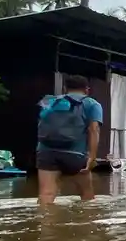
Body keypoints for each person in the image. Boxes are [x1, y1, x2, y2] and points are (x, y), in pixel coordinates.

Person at [36, 74, 103, 205]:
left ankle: (44, 224)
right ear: (87, 90)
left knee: (46, 193)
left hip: (46, 152)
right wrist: (92, 157)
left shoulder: (50, 102)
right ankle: (87, 224)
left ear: (65, 88)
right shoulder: (91, 104)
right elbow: (94, 130)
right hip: (75, 154)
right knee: (86, 194)